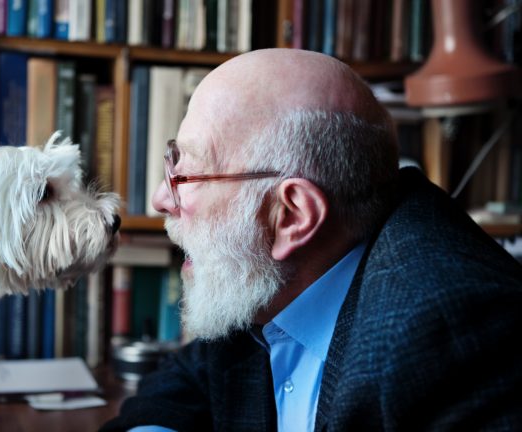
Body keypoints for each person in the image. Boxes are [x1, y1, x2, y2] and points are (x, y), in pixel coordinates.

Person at [101, 49, 522, 431]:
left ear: (292, 217)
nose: (160, 198)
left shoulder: (453, 337)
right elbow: (190, 379)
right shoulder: (264, 280)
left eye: (185, 175)